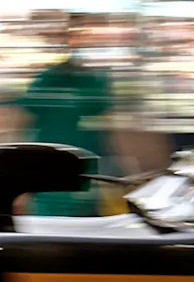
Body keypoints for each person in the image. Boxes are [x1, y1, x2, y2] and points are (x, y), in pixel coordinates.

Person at [17, 21, 121, 215]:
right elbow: (104, 113)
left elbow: (27, 114)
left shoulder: (46, 79)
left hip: (50, 154)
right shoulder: (91, 80)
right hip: (80, 155)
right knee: (78, 209)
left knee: (53, 207)